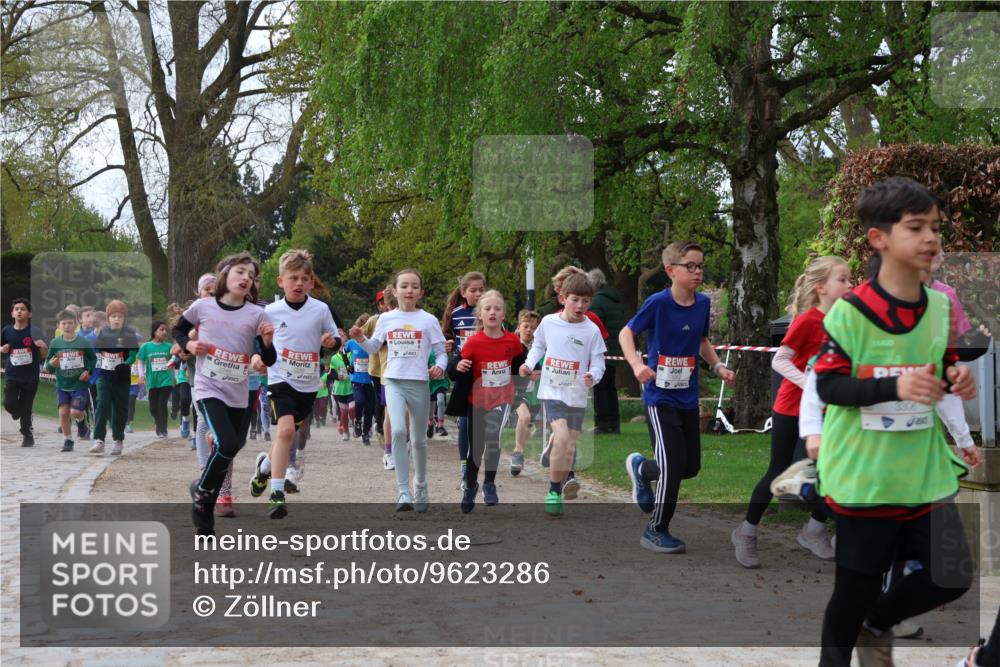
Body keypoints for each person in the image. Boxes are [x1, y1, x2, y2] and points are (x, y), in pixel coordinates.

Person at [812, 176, 977, 666]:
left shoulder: (941, 306)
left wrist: (955, 378)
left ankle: (877, 625)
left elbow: (938, 367)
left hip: (922, 474)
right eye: (916, 227)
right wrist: (895, 387)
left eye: (935, 228)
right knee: (854, 591)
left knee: (952, 576)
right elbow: (828, 387)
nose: (931, 238)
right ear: (878, 238)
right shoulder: (851, 312)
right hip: (866, 477)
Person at [732, 256, 852, 568]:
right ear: (821, 287)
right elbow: (780, 360)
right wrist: (810, 384)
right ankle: (746, 532)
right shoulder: (808, 321)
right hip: (791, 407)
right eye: (842, 279)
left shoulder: (846, 321)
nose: (850, 285)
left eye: (850, 279)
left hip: (829, 411)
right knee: (779, 470)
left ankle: (814, 530)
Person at [621, 240, 736, 553]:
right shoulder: (658, 303)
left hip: (687, 396)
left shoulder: (702, 304)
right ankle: (655, 530)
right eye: (691, 266)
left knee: (689, 467)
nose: (698, 271)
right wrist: (637, 365)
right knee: (672, 465)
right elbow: (627, 333)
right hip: (659, 397)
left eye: (701, 266)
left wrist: (717, 366)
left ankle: (642, 470)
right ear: (671, 270)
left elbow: (701, 341)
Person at [174, 252, 275, 535]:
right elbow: (178, 330)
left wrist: (267, 343)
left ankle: (200, 488)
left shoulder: (257, 314)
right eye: (240, 272)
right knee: (227, 444)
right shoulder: (202, 307)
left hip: (239, 391)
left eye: (251, 276)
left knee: (233, 445)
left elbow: (268, 359)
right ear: (225, 275)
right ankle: (205, 503)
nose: (246, 278)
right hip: (208, 388)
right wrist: (188, 345)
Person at [247, 249, 339, 519]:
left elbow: (336, 338)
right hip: (280, 379)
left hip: (308, 385)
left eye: (303, 279)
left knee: (285, 437)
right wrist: (256, 357)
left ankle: (264, 468)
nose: (298, 283)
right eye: (292, 278)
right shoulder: (270, 312)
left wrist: (331, 342)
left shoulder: (320, 310)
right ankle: (277, 493)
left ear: (311, 283)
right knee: (286, 431)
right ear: (281, 281)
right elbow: (255, 343)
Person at [351, 268, 447, 511]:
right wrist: (360, 339)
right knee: (398, 431)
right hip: (393, 381)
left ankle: (421, 484)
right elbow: (374, 347)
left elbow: (441, 352)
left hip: (419, 383)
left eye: (414, 286)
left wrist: (439, 366)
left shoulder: (428, 320)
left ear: (421, 292)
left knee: (418, 440)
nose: (409, 290)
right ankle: (403, 491)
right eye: (404, 286)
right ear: (394, 291)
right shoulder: (386, 319)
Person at [520, 272, 606, 517]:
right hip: (552, 391)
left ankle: (556, 477)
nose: (580, 306)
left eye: (586, 301)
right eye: (575, 299)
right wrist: (528, 364)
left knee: (568, 448)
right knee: (562, 438)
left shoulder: (592, 330)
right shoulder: (548, 323)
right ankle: (553, 491)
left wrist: (593, 375)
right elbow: (538, 346)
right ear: (563, 298)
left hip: (576, 394)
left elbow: (598, 363)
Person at [448, 290, 526, 512]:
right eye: (488, 309)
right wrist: (458, 366)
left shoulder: (512, 341)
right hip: (476, 401)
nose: (493, 312)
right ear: (480, 315)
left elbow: (523, 359)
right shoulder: (473, 343)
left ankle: (489, 483)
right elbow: (454, 368)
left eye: (497, 309)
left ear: (504, 315)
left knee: (493, 439)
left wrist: (527, 369)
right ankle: (470, 485)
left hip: (502, 399)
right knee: (477, 447)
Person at [441, 271, 486, 489]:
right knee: (466, 424)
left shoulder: (490, 311)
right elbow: (447, 337)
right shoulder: (456, 314)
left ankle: (477, 469)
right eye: (473, 290)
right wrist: (447, 344)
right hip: (464, 369)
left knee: (480, 427)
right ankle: (465, 471)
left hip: (485, 372)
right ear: (463, 292)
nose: (478, 294)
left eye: (481, 290)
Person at [91, 299, 141, 456]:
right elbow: (97, 351)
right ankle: (99, 439)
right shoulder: (103, 332)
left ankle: (118, 439)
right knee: (102, 404)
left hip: (122, 377)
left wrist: (126, 363)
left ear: (125, 318)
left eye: (120, 316)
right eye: (113, 316)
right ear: (108, 318)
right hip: (104, 376)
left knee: (120, 409)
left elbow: (132, 355)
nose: (117, 319)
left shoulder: (129, 333)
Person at [44, 308, 96, 452]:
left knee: (75, 412)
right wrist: (51, 364)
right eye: (64, 323)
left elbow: (93, 359)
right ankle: (68, 440)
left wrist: (88, 371)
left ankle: (82, 422)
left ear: (76, 324)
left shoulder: (83, 342)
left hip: (79, 385)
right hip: (62, 385)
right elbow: (48, 364)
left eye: (70, 323)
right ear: (58, 326)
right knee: (63, 413)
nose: (67, 326)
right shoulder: (55, 343)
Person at [1, 298, 47, 446]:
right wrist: (2, 349)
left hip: (30, 376)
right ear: (12, 313)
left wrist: (43, 346)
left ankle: (27, 435)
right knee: (9, 403)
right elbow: (1, 347)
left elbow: (45, 355)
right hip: (12, 374)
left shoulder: (35, 331)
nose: (19, 311)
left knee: (27, 406)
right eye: (17, 309)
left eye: (23, 309)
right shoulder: (7, 330)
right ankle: (20, 412)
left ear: (29, 314)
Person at [587, 268, 625, 434]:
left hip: (602, 350)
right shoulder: (615, 301)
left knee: (600, 388)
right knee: (610, 387)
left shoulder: (596, 302)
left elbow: (594, 327)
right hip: (615, 348)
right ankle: (614, 423)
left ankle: (602, 423)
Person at [509, 309, 541, 476]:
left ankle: (521, 451)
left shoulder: (540, 348)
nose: (529, 330)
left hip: (534, 394)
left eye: (533, 328)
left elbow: (543, 369)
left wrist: (539, 373)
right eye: (526, 326)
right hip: (514, 391)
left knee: (528, 424)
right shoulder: (513, 346)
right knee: (525, 417)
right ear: (519, 327)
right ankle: (518, 453)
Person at [137, 320, 175, 438]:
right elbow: (140, 362)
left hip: (166, 379)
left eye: (166, 330)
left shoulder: (169, 346)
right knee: (153, 408)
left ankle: (162, 429)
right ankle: (158, 422)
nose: (164, 332)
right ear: (154, 331)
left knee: (162, 404)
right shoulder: (146, 346)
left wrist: (174, 376)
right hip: (152, 381)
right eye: (161, 329)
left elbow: (174, 360)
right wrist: (141, 376)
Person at [346, 314, 375, 447]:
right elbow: (343, 352)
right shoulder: (352, 343)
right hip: (356, 379)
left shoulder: (373, 342)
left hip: (370, 380)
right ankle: (357, 421)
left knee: (370, 408)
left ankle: (365, 433)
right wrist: (348, 365)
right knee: (359, 401)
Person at [330, 349, 354, 441]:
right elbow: (330, 373)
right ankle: (345, 432)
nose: (342, 346)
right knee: (343, 413)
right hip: (340, 390)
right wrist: (336, 376)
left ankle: (355, 424)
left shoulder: (352, 355)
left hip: (352, 387)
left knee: (352, 409)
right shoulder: (334, 358)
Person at [427, 350, 449, 439]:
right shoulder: (428, 353)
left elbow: (449, 367)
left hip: (441, 383)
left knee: (440, 401)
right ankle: (430, 422)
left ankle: (440, 426)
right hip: (431, 384)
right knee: (431, 406)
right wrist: (429, 372)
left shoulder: (443, 353)